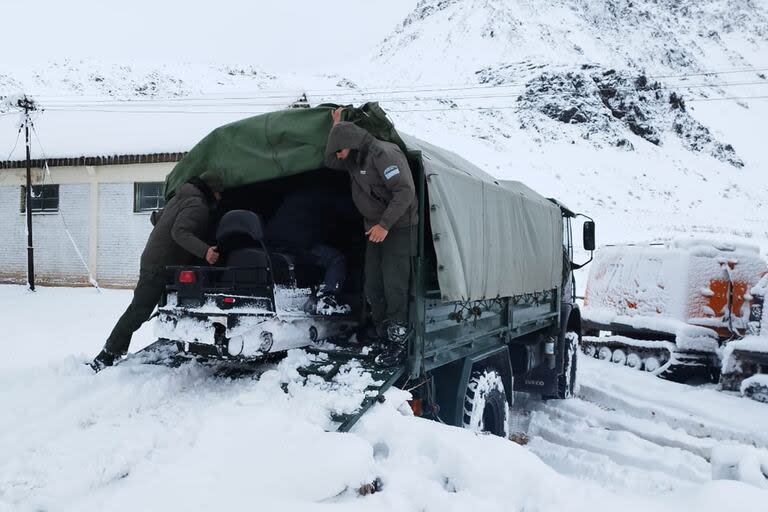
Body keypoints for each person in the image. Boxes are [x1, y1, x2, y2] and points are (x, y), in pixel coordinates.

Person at [90, 171, 224, 371]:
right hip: (159, 265)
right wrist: (205, 251)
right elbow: (179, 232)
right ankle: (106, 355)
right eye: (220, 193)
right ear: (213, 191)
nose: (221, 197)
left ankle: (113, 351)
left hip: (157, 260)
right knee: (140, 309)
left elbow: (157, 219)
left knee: (151, 308)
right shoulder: (198, 205)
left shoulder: (182, 197)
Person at [324, 107, 417, 365]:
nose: (339, 156)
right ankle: (382, 333)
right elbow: (330, 162)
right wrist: (336, 129)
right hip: (374, 227)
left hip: (397, 227)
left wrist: (385, 225)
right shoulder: (354, 158)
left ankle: (398, 338)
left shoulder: (383, 154)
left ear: (350, 144)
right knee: (373, 284)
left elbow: (405, 193)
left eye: (340, 149)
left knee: (394, 284)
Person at [263, 183, 356, 315]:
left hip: (272, 242)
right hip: (295, 245)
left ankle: (315, 291)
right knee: (336, 258)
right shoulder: (327, 194)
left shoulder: (294, 194)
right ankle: (327, 298)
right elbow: (349, 210)